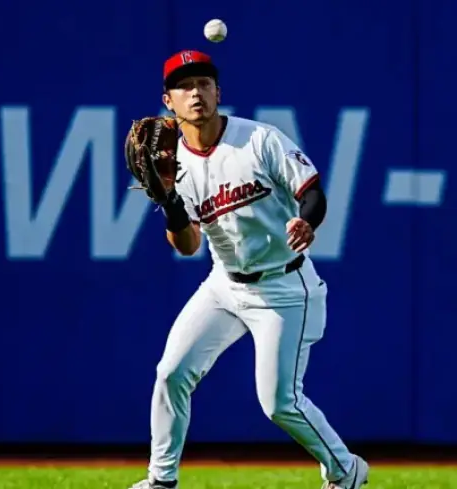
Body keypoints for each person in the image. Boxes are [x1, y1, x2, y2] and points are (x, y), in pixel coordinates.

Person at [126, 50, 369, 489]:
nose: (195, 92)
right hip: (224, 285)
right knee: (171, 372)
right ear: (168, 100)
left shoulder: (259, 139)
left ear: (219, 91)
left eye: (203, 82)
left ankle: (346, 470)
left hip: (284, 286)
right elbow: (188, 246)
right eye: (184, 86)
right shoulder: (172, 163)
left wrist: (305, 221)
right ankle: (161, 480)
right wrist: (169, 205)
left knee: (279, 404)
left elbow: (312, 191)